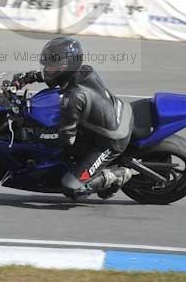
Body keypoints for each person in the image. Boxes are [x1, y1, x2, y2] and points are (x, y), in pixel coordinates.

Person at [11, 36, 134, 200]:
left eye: (52, 66)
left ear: (66, 67)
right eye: (46, 64)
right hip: (114, 115)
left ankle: (117, 175)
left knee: (71, 187)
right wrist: (28, 78)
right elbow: (51, 76)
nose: (47, 69)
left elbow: (65, 139)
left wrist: (32, 134)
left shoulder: (74, 98)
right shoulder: (84, 70)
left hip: (112, 140)